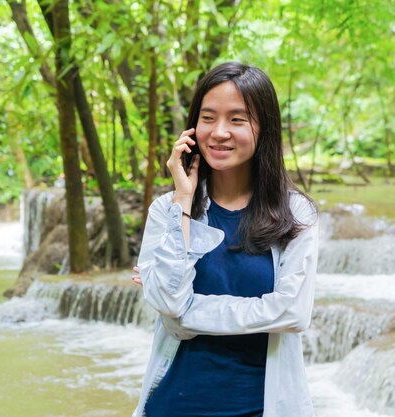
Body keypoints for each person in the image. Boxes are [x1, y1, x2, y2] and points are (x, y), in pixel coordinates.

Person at [131, 62, 318, 417]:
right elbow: (170, 304)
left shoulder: (297, 214)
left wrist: (189, 313)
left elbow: (293, 313)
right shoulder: (166, 210)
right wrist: (182, 201)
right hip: (174, 406)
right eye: (208, 117)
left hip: (261, 407)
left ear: (265, 128)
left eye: (237, 119)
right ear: (193, 126)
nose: (219, 132)